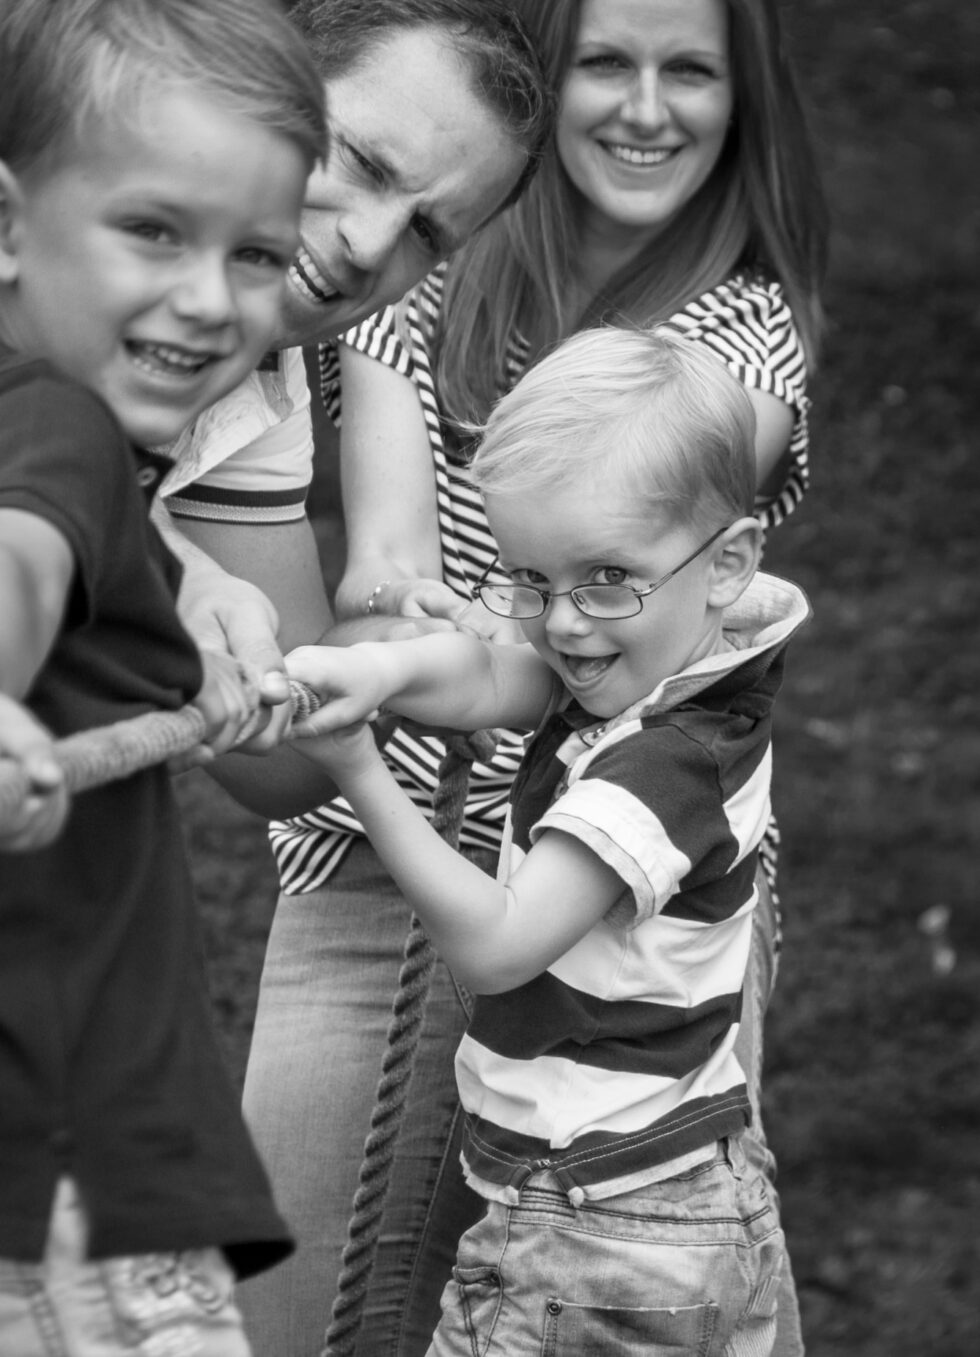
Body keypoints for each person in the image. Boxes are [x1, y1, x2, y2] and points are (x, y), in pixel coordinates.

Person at [227, 1, 828, 1353]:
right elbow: (390, 570)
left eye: (690, 71)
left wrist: (409, 682)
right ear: (548, 85)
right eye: (606, 61)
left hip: (615, 886)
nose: (645, 108)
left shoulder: (742, 344)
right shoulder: (416, 256)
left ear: (742, 102)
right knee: (293, 1305)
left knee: (587, 1280)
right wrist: (378, 648)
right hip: (385, 849)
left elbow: (592, 625)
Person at [283, 327, 812, 1356]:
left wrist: (359, 771)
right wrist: (377, 675)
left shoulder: (662, 767)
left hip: (595, 1234)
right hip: (659, 1195)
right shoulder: (671, 675)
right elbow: (490, 676)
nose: (563, 623)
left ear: (728, 562)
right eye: (529, 577)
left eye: (606, 576)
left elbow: (496, 945)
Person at [0, 1, 327, 1351]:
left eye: (257, 253)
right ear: (8, 222)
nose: (209, 298)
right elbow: (21, 563)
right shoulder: (58, 423)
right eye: (153, 229)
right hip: (76, 1183)